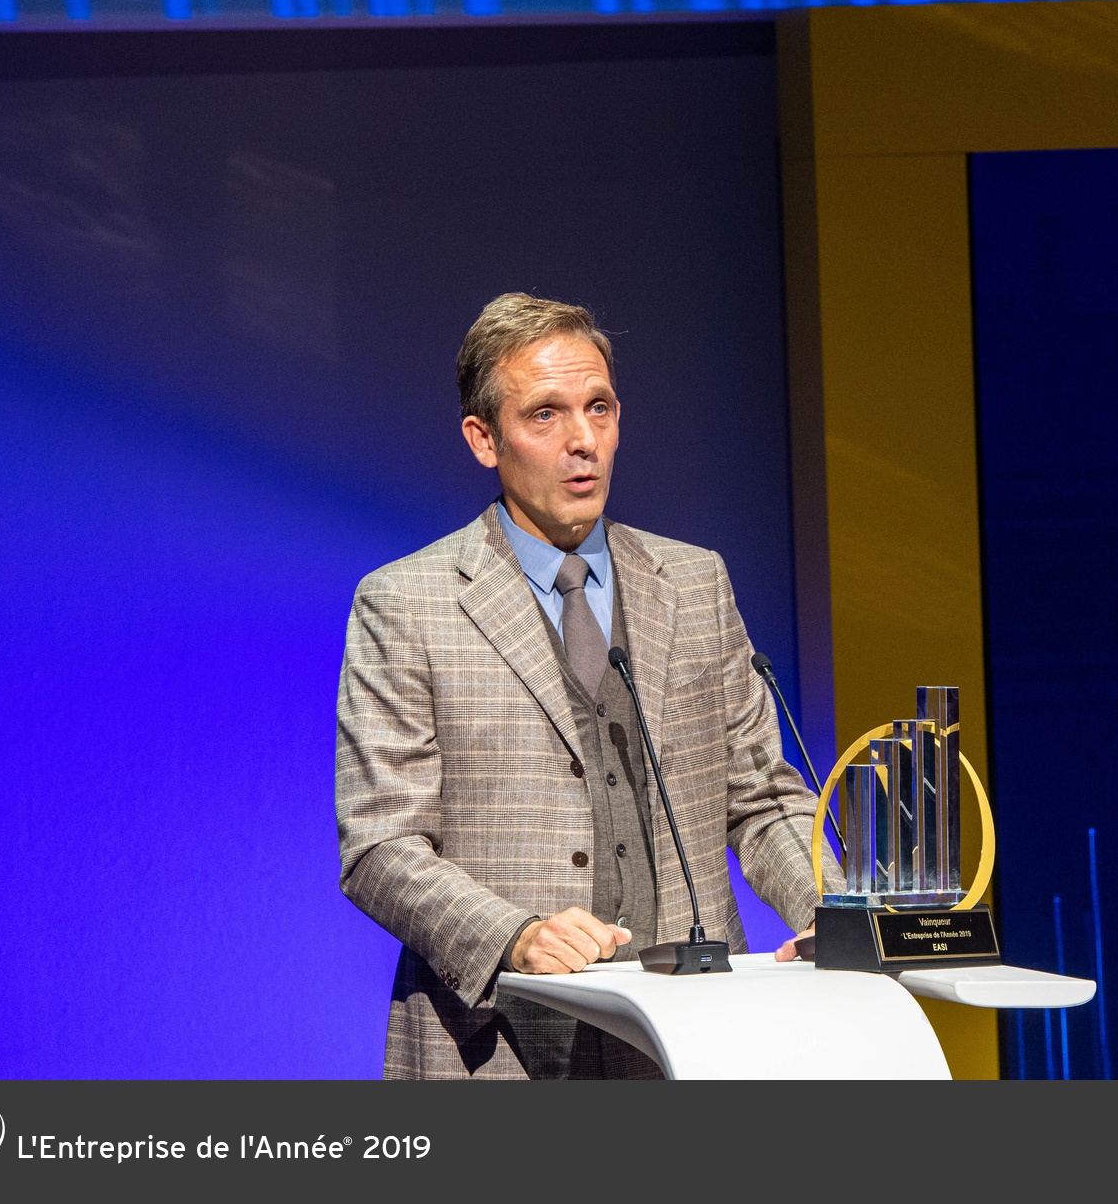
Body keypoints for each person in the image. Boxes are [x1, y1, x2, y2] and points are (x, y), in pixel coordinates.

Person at [335, 292, 837, 1079]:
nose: (583, 440)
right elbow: (380, 846)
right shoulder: (407, 603)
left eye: (598, 408)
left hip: (691, 1035)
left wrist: (829, 913)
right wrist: (516, 936)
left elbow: (763, 797)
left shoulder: (694, 582)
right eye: (545, 414)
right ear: (483, 438)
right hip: (501, 1043)